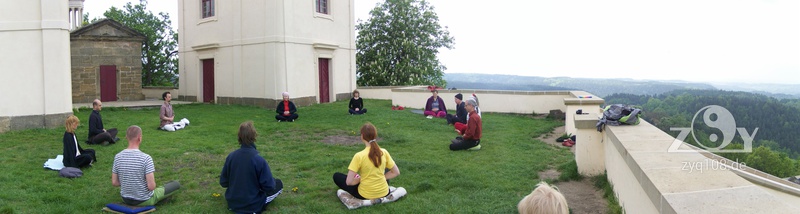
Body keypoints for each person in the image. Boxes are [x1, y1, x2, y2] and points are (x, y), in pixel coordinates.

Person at [220, 121, 283, 213]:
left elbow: (223, 182)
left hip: (232, 202)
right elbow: (269, 186)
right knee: (279, 184)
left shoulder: (231, 156)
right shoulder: (258, 159)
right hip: (252, 204)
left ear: (239, 136)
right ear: (254, 136)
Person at [112, 125, 181, 206]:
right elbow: (151, 187)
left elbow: (115, 183)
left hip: (125, 199)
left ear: (126, 137)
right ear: (139, 138)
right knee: (175, 184)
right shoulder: (146, 158)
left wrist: (129, 182)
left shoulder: (117, 157)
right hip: (144, 200)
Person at [333, 122, 400, 200]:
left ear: (362, 136)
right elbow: (396, 172)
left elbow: (349, 182)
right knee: (386, 168)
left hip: (365, 195)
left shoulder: (359, 156)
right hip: (384, 192)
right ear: (375, 135)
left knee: (337, 176)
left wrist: (361, 178)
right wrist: (380, 178)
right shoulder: (384, 152)